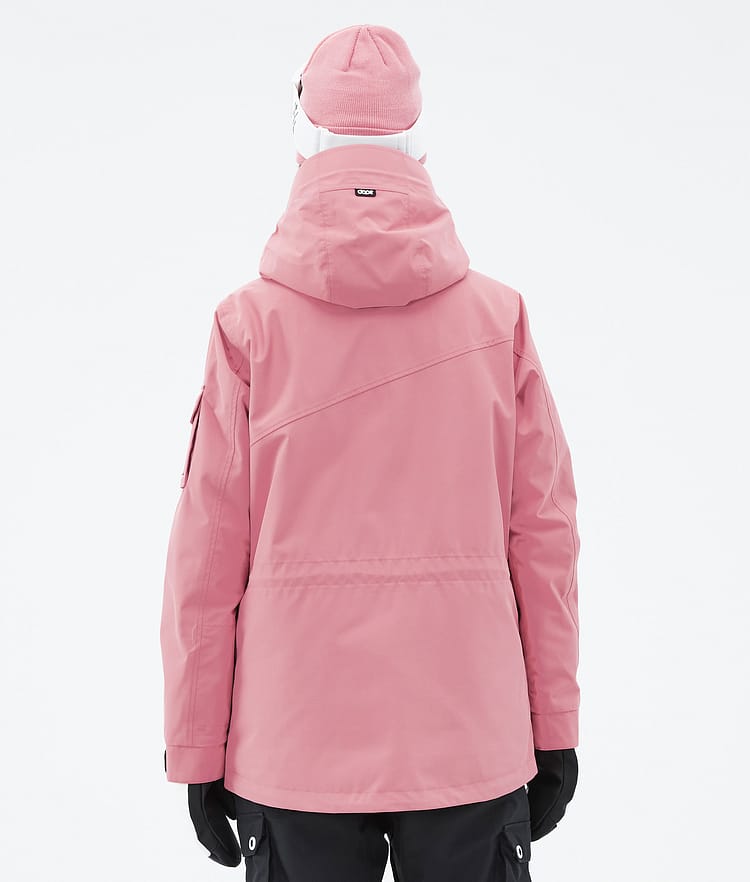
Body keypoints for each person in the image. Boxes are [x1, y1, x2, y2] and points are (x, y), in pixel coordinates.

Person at [160, 23, 581, 882]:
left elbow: (207, 555)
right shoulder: (496, 320)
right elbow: (544, 541)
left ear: (304, 135)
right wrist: (555, 728)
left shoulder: (249, 327)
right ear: (418, 141)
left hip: (294, 741)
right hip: (468, 736)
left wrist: (197, 747)